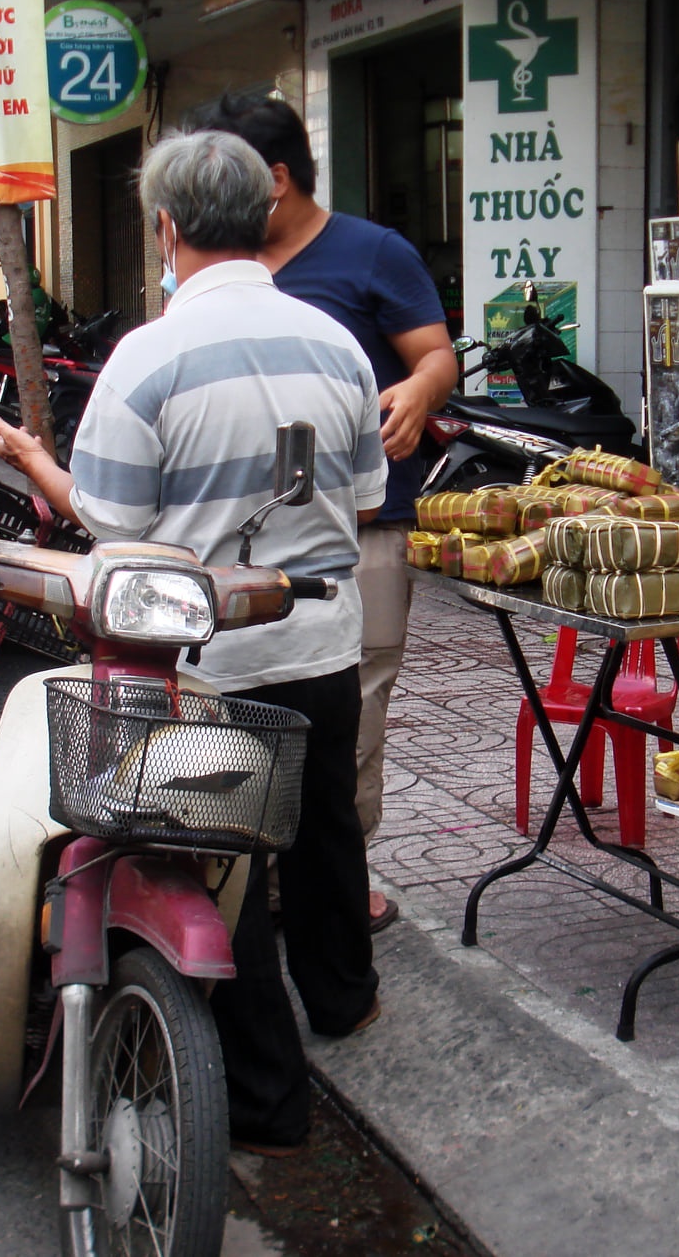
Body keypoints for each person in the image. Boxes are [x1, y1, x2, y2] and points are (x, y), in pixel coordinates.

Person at [0, 129, 386, 1154]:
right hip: (326, 645)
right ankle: (345, 1002)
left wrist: (38, 463)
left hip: (208, 667)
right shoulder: (337, 345)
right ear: (265, 214)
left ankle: (259, 1093)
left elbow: (111, 523)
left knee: (219, 860)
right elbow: (368, 497)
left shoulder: (149, 357)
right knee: (326, 825)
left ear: (167, 227)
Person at [190, 93, 458, 934]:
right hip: (232, 537)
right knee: (234, 697)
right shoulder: (211, 265)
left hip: (361, 525)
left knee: (355, 700)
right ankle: (244, 864)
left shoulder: (372, 254)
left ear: (273, 178)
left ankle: (339, 873)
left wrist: (417, 388)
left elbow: (436, 353)